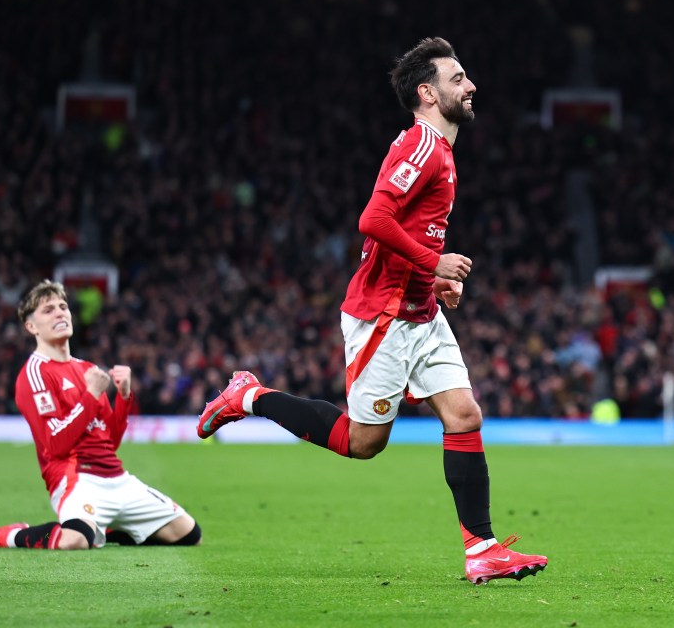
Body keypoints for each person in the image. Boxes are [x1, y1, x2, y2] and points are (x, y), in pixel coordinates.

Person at [196, 37, 547, 584]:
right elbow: (374, 219)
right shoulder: (421, 147)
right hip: (382, 314)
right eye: (458, 79)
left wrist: (432, 276)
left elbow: (403, 230)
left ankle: (482, 549)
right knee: (364, 444)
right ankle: (250, 395)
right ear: (427, 94)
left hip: (420, 309)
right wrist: (435, 260)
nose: (471, 86)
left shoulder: (443, 151)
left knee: (465, 416)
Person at [0, 280, 200, 550]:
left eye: (63, 307)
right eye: (48, 310)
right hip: (75, 477)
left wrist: (123, 398)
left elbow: (109, 442)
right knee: (73, 541)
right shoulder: (35, 374)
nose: (60, 313)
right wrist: (89, 396)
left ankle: (100, 528)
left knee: (188, 534)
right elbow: (55, 445)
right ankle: (11, 536)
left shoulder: (87, 368)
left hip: (116, 477)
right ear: (31, 326)